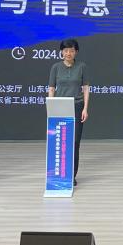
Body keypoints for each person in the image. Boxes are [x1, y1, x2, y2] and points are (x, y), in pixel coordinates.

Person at [47, 38, 90, 185]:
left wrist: (85, 108)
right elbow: (51, 89)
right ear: (61, 52)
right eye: (65, 50)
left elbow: (86, 89)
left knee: (75, 141)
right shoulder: (56, 67)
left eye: (71, 50)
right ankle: (59, 172)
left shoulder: (82, 66)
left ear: (76, 52)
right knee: (59, 141)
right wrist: (51, 108)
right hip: (59, 106)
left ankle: (71, 175)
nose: (68, 53)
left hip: (77, 105)